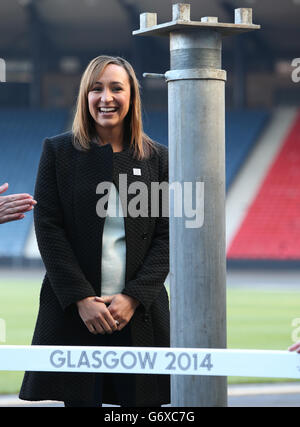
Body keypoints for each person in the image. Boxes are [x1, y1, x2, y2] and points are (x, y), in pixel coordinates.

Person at [19, 55, 170, 407]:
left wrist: (132, 297)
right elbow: (49, 229)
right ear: (85, 96)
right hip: (77, 314)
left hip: (139, 314)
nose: (106, 98)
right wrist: (81, 299)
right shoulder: (58, 151)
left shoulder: (157, 158)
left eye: (117, 88)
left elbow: (166, 237)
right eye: (96, 89)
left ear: (132, 96)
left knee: (140, 409)